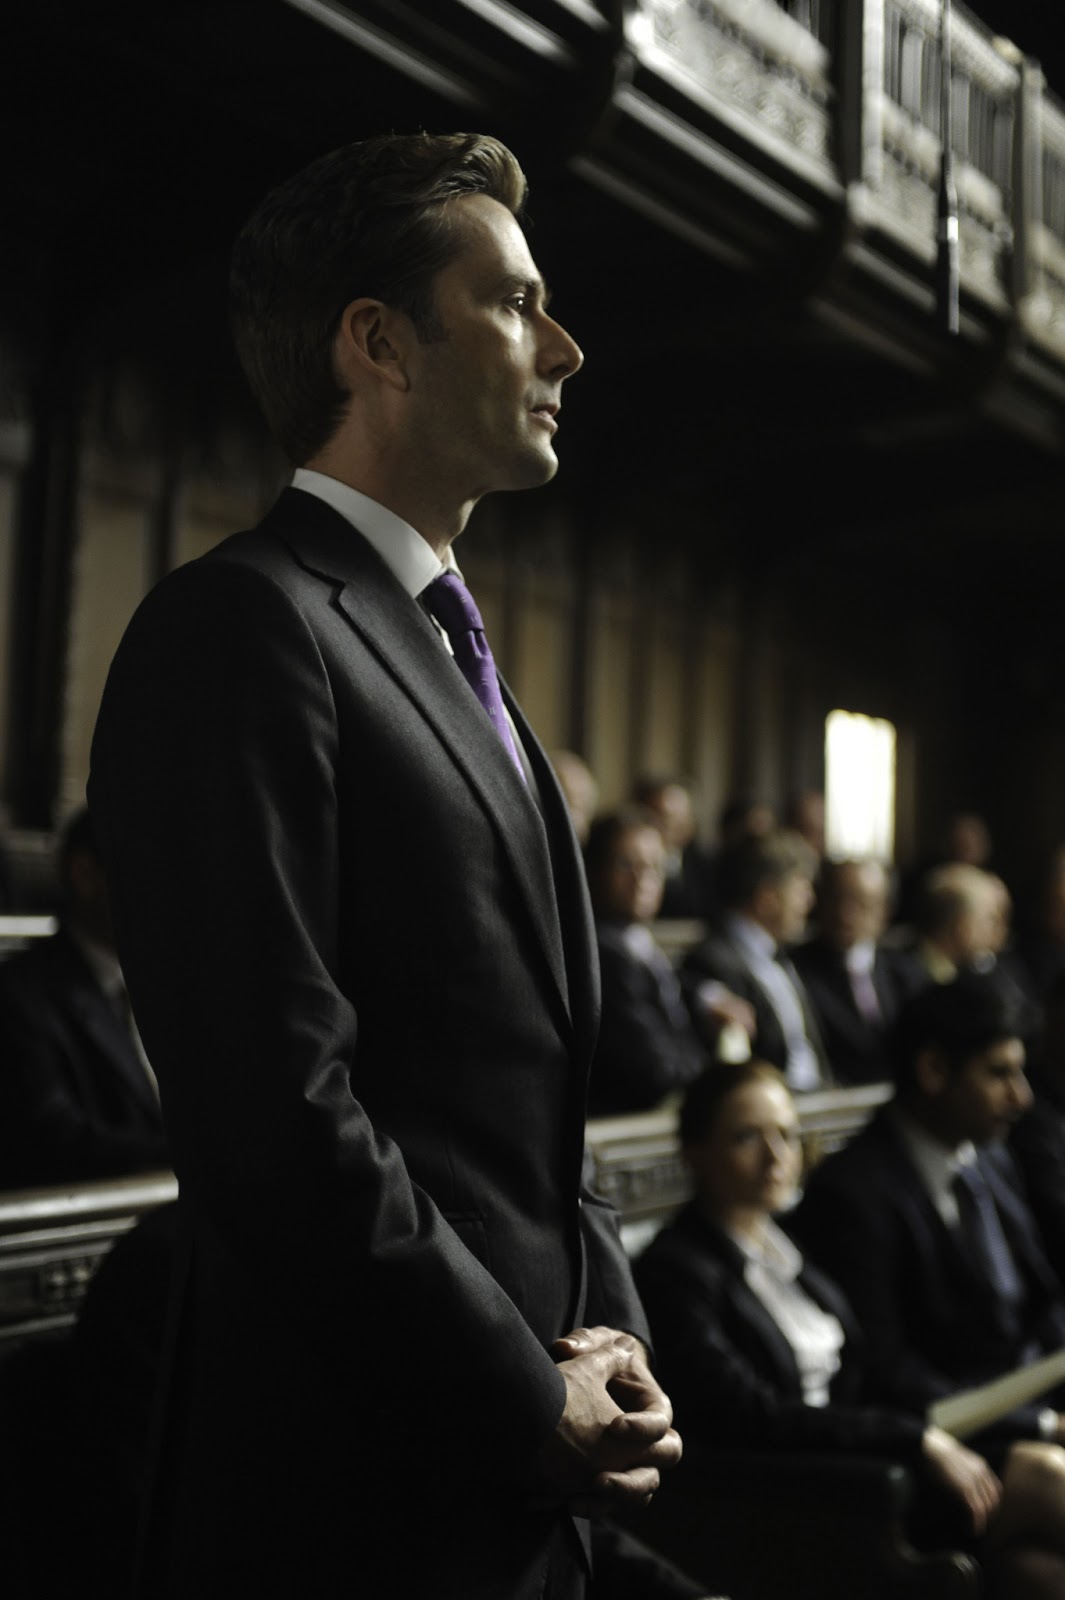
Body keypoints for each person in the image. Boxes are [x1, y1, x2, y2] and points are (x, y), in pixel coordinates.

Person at [88, 132, 680, 1600]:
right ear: (379, 343)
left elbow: (529, 1110)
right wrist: (521, 1389)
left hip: (516, 1472)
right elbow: (273, 1111)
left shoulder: (459, 661)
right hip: (350, 1490)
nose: (565, 347)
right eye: (515, 303)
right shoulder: (243, 626)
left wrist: (610, 1339)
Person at [635, 1061, 1065, 1596]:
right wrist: (916, 1440)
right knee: (1045, 1475)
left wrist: (973, 1428)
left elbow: (868, 1374)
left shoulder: (788, 1246)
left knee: (1037, 1572)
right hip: (807, 1491)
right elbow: (753, 1413)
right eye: (747, 1137)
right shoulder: (673, 1272)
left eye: (786, 1135)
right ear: (694, 1152)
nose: (776, 1155)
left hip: (865, 1454)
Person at [793, 972, 1065, 1442]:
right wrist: (1038, 1424)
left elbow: (1041, 1299)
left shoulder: (991, 1156)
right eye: (999, 1074)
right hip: (953, 1433)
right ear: (934, 1070)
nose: (1021, 1097)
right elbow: (885, 1368)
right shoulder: (852, 1193)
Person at [0, 806, 168, 1187]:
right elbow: (55, 1139)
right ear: (85, 875)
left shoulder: (168, 987)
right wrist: (196, 1154)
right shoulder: (19, 994)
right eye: (153, 870)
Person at [681, 831, 831, 1091]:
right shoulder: (712, 960)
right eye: (801, 889)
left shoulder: (783, 957)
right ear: (767, 899)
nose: (810, 901)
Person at [584, 810, 706, 1117]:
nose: (642, 880)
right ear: (595, 870)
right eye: (626, 864)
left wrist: (706, 996)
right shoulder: (603, 955)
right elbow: (655, 1071)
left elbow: (667, 988)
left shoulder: (634, 940)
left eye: (653, 866)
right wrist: (714, 1078)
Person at [792, 858, 919, 1084]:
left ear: (884, 911)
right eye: (836, 899)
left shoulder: (906, 973)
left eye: (861, 903)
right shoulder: (793, 969)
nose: (845, 914)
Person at [632, 776, 713, 921]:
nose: (658, 825)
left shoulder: (708, 868)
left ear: (690, 824)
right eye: (652, 816)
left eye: (668, 817)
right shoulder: (619, 866)